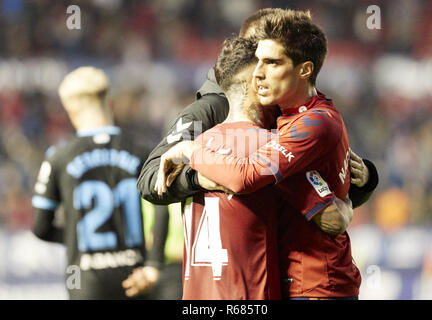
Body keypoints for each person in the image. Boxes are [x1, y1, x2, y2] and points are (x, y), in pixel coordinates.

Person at [157, 9, 374, 299]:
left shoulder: (313, 123)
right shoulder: (284, 120)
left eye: (272, 63)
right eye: (257, 61)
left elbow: (246, 177)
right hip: (287, 284)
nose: (259, 73)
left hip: (317, 287)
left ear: (305, 69)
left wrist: (188, 149)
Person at [137, 7, 378, 210]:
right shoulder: (208, 110)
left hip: (271, 255)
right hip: (221, 255)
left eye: (273, 57)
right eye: (258, 52)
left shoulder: (288, 109)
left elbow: (326, 183)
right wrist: (203, 177)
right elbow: (149, 179)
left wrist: (364, 180)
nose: (263, 63)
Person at [31, 66, 160, 299]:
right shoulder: (143, 151)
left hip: (86, 284)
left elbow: (41, 227)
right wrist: (153, 263)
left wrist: (75, 235)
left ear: (70, 107)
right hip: (137, 277)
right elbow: (164, 211)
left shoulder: (58, 157)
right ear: (108, 99)